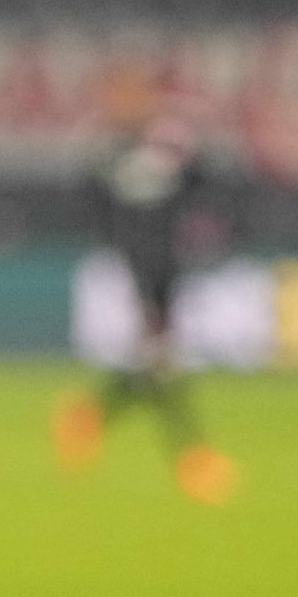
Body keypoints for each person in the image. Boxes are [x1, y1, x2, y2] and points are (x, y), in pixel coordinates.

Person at [53, 108, 240, 504]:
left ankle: (89, 418)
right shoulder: (160, 180)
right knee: (163, 371)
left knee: (157, 369)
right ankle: (191, 457)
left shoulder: (131, 174)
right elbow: (202, 179)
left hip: (154, 278)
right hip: (153, 281)